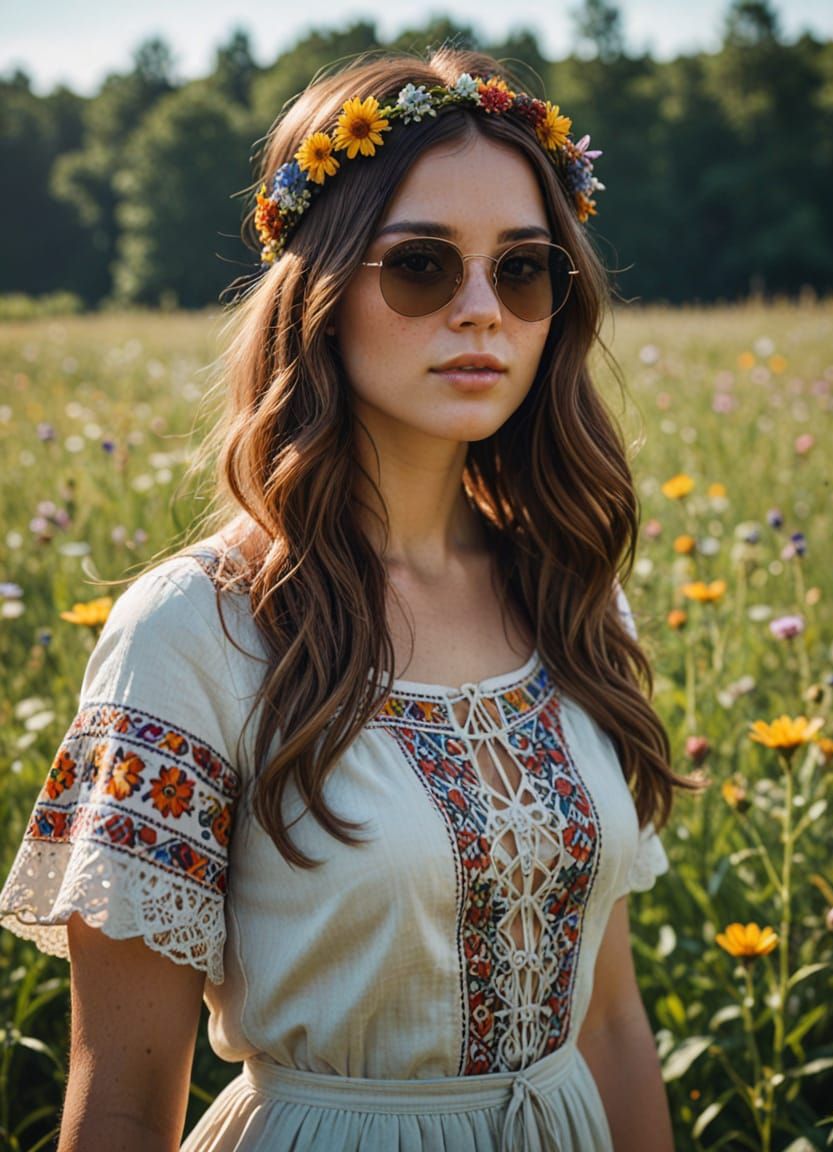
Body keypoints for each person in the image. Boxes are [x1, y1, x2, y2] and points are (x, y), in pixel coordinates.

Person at [0, 45, 702, 1152]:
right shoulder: (196, 631)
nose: (480, 311)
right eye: (421, 266)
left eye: (521, 270)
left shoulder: (571, 594)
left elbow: (609, 1018)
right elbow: (126, 1094)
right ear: (320, 290)